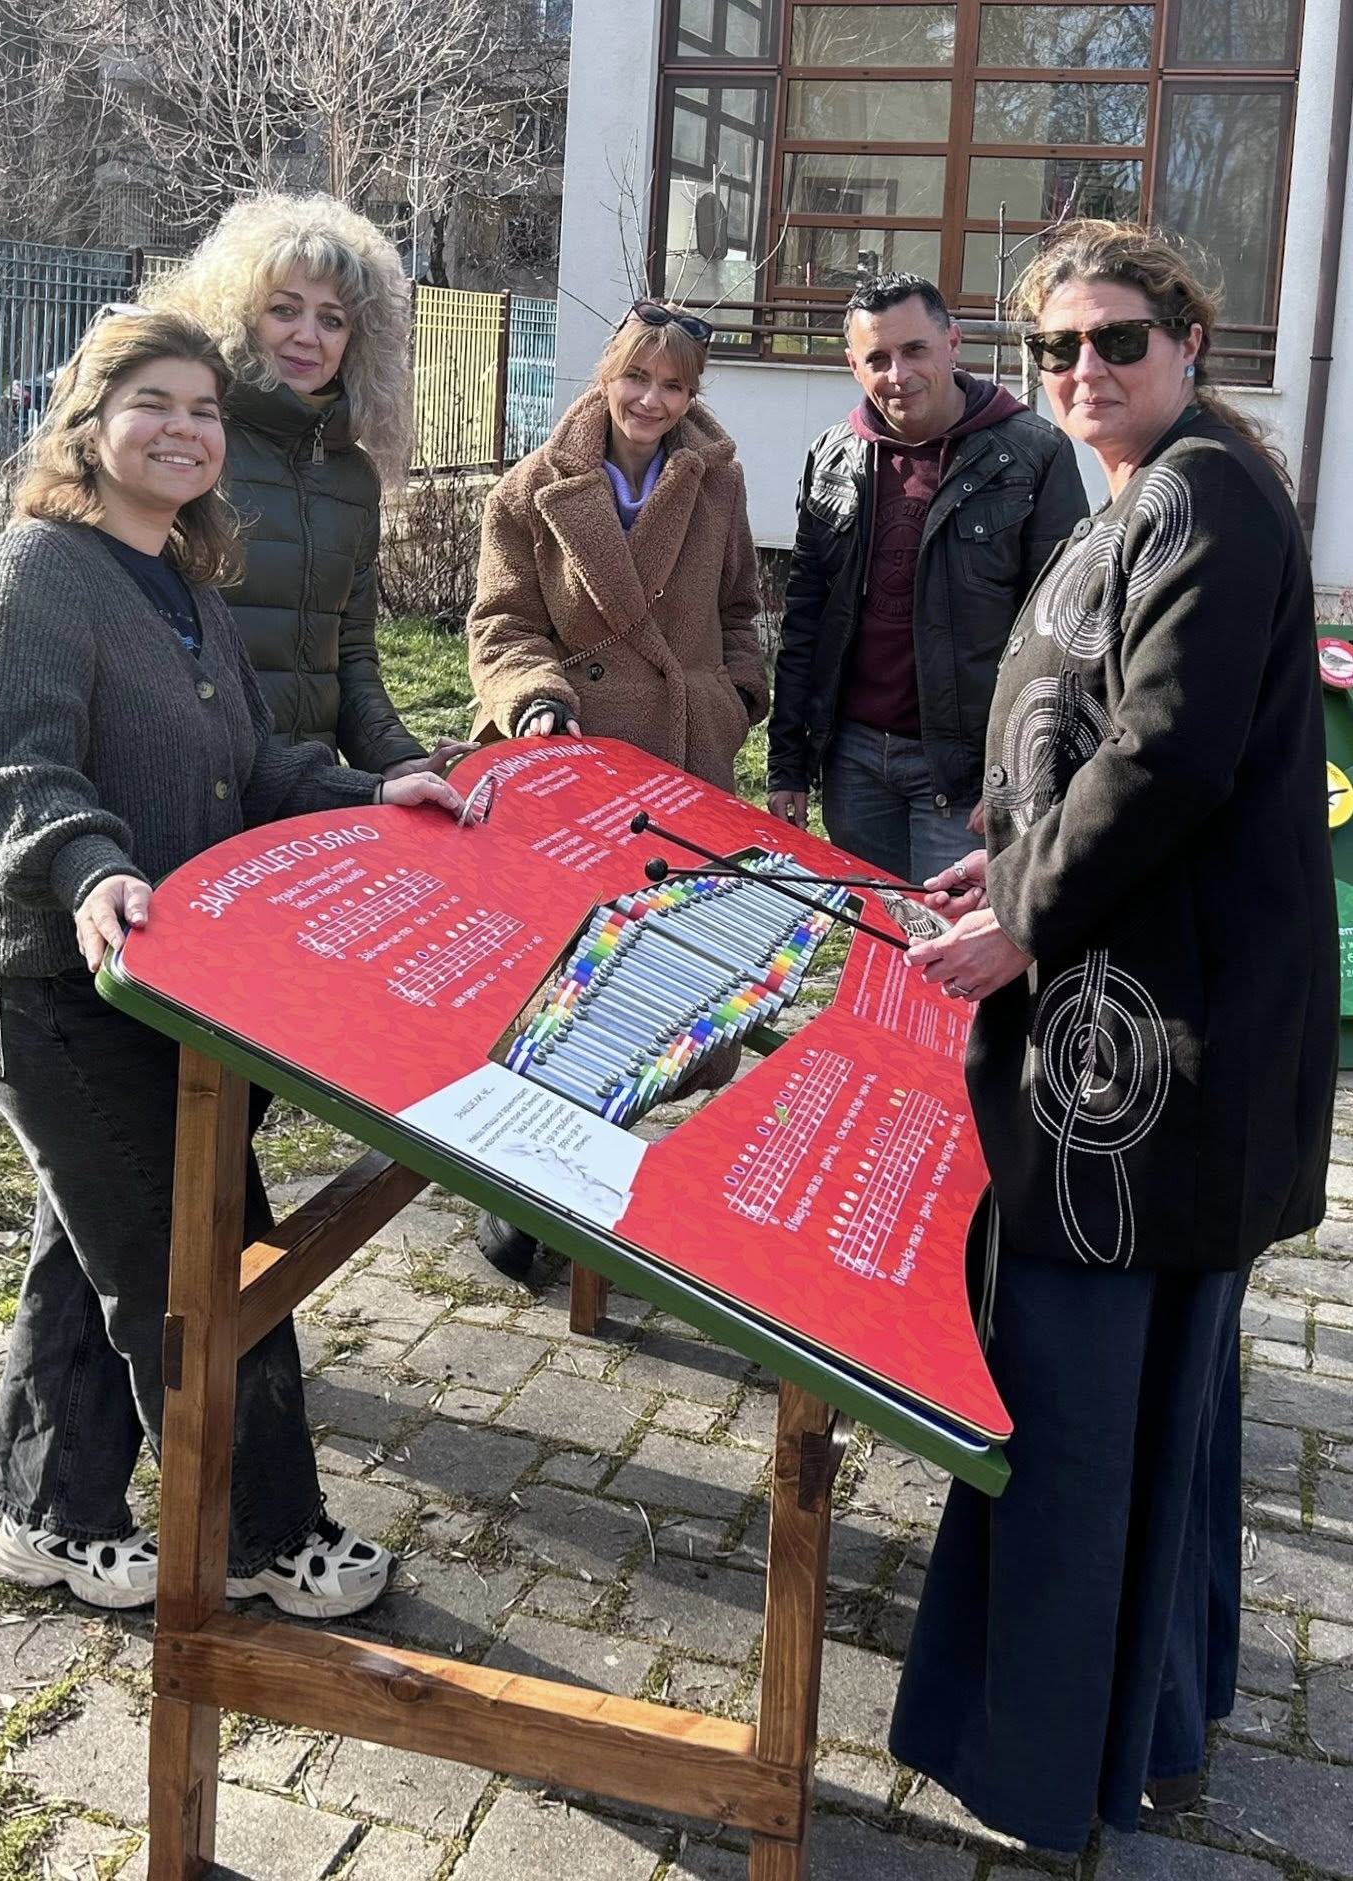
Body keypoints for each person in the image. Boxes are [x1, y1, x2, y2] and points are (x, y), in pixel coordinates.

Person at [888, 222, 1337, 1851]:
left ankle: (1050, 1761)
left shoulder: (1202, 494)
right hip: (1137, 1027)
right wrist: (1005, 850)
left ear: (1187, 341)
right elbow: (1088, 737)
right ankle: (1147, 1728)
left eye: (1117, 339)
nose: (1082, 369)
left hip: (1144, 1063)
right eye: (1056, 348)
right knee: (1149, 1410)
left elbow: (1164, 755)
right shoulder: (1157, 486)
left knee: (1080, 1412)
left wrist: (1021, 916)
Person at [0, 309, 466, 1617]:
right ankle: (264, 1537)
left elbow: (253, 764)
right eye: (154, 403)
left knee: (94, 1248)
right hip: (71, 994)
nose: (184, 429)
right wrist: (90, 866)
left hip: (178, 997)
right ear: (88, 425)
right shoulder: (32, 573)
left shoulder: (184, 581)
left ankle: (45, 1517)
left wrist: (372, 793)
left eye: (203, 410)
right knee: (200, 1264)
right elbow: (17, 768)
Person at [466, 298, 770, 1275]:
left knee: (665, 986)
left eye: (673, 385)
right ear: (606, 374)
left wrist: (733, 697)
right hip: (576, 770)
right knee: (563, 986)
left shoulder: (716, 482)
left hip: (683, 765)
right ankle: (521, 1195)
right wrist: (536, 701)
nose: (651, 399)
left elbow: (739, 608)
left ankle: (581, 1171)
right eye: (636, 376)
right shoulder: (530, 489)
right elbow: (503, 625)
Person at [766, 271, 1087, 880]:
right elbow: (804, 617)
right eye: (877, 358)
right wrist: (788, 764)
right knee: (875, 930)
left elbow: (1063, 634)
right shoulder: (832, 456)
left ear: (952, 342)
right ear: (854, 366)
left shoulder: (1034, 454)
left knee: (948, 935)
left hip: (968, 774)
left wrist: (1024, 773)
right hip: (854, 765)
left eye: (915, 349)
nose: (899, 374)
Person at [156, 192, 471, 782]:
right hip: (201, 783)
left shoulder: (354, 478)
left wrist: (399, 759)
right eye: (285, 309)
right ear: (240, 315)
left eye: (332, 319)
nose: (308, 336)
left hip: (310, 793)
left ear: (358, 340)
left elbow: (350, 658)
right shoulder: (194, 446)